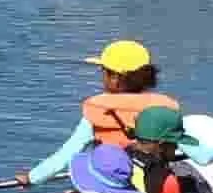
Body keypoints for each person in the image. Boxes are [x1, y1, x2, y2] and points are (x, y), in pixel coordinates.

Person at [23, 40, 171, 184]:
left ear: (115, 78)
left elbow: (66, 155)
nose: (102, 77)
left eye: (104, 72)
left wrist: (32, 177)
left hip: (110, 184)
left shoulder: (98, 112)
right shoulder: (163, 110)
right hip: (152, 187)